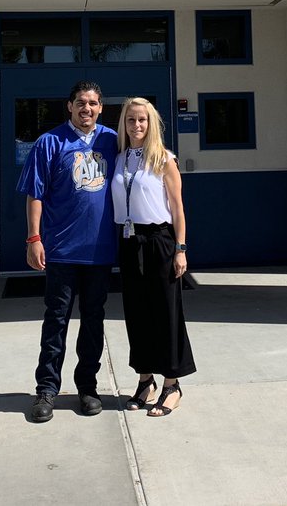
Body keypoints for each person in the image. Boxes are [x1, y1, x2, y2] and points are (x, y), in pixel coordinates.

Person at [18, 80, 118, 423]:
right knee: (56, 321)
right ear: (70, 106)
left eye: (92, 102)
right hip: (60, 250)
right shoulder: (49, 142)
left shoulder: (113, 140)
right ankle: (46, 390)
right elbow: (35, 194)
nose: (86, 108)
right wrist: (34, 238)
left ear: (101, 107)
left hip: (99, 252)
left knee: (93, 321)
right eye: (80, 102)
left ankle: (87, 388)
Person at [110, 96, 196, 417]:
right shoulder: (120, 159)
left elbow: (178, 209)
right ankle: (146, 380)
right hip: (130, 242)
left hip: (160, 241)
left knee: (166, 313)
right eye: (131, 120)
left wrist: (181, 248)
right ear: (124, 123)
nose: (137, 125)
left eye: (142, 120)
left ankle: (172, 383)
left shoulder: (164, 160)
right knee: (136, 312)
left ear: (152, 123)